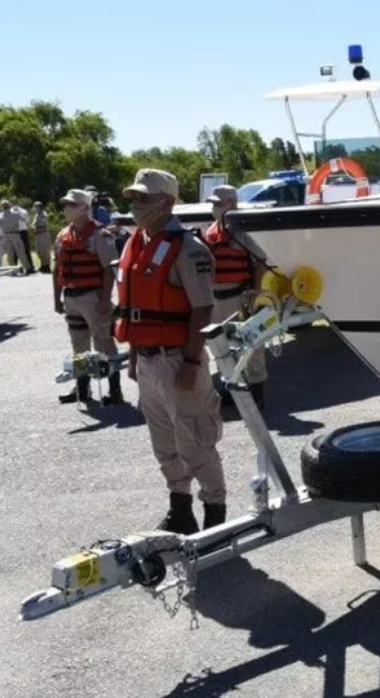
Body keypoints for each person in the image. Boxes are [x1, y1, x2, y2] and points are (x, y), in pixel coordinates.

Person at [116, 168, 226, 535]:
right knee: (164, 444)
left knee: (196, 442)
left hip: (179, 359)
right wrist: (134, 356)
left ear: (166, 202)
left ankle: (215, 515)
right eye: (133, 198)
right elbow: (134, 308)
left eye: (143, 199)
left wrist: (193, 361)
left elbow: (202, 308)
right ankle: (180, 510)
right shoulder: (138, 243)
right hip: (148, 361)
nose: (135, 205)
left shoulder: (188, 249)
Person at [201, 185, 269, 408]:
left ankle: (257, 390)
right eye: (212, 203)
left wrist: (256, 293)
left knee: (251, 343)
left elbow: (260, 263)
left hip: (239, 296)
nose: (213, 207)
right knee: (222, 346)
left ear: (231, 203)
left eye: (217, 203)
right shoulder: (211, 229)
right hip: (216, 298)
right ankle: (231, 386)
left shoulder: (243, 230)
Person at [53, 189, 122, 405]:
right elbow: (57, 269)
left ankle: (114, 390)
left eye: (72, 204)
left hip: (93, 296)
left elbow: (109, 269)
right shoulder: (63, 234)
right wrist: (56, 298)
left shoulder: (100, 235)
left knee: (104, 343)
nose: (67, 208)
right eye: (66, 204)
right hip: (71, 296)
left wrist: (104, 300)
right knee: (78, 346)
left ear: (84, 208)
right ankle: (82, 388)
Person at [0, 200, 31, 274]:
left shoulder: (0, 216)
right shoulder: (16, 214)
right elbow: (24, 220)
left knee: (10, 254)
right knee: (21, 252)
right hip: (15, 234)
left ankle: (13, 270)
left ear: (2, 207)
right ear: (10, 206)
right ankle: (27, 268)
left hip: (6, 235)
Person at [30, 201, 52, 273]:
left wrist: (35, 228)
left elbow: (43, 227)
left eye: (35, 207)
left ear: (39, 207)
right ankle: (43, 265)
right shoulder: (37, 215)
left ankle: (47, 266)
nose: (34, 208)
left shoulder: (43, 215)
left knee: (44, 251)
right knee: (39, 252)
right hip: (38, 235)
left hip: (43, 235)